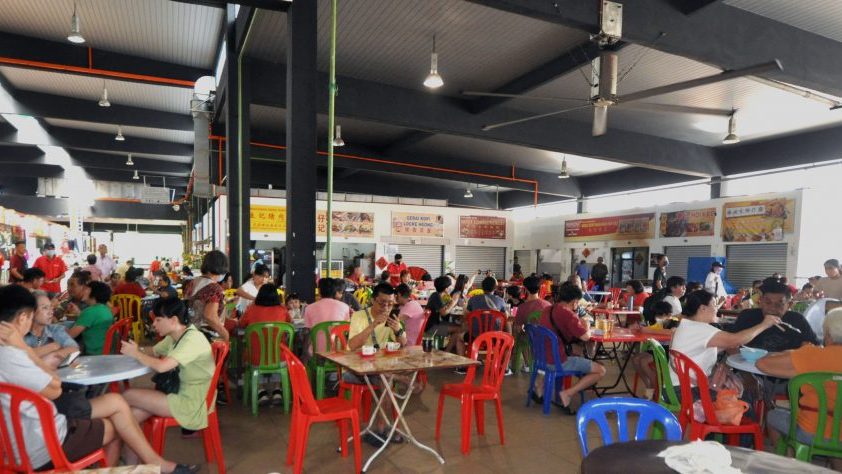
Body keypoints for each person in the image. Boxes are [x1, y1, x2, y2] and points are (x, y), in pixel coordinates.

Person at [0, 285, 198, 473]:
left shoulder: (18, 348)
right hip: (42, 447)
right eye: (36, 312)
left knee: (118, 402)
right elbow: (56, 389)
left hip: (13, 445)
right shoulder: (13, 355)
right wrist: (27, 350)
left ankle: (152, 464)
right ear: (23, 317)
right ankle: (153, 465)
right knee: (119, 425)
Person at [121, 298, 214, 458]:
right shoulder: (176, 336)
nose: (154, 324)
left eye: (158, 320)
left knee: (127, 396)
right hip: (180, 393)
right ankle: (132, 466)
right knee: (130, 418)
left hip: (193, 402)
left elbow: (162, 366)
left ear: (173, 320)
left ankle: (145, 460)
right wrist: (138, 349)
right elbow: (153, 351)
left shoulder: (192, 339)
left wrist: (136, 354)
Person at [757, 308, 842, 471]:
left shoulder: (813, 355)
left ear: (828, 335)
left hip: (811, 430)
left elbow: (762, 364)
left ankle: (789, 465)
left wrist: (795, 353)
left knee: (773, 415)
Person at [668, 289, 780, 389]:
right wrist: (764, 324)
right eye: (714, 305)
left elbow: (697, 350)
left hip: (675, 387)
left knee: (740, 385)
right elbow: (737, 340)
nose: (716, 309)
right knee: (745, 390)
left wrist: (728, 344)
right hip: (687, 391)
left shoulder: (687, 325)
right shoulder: (702, 330)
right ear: (703, 308)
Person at [346, 283, 408, 445]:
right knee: (386, 377)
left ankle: (381, 428)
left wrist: (398, 330)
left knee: (385, 378)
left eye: (390, 303)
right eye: (382, 303)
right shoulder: (359, 316)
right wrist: (373, 325)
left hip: (378, 368)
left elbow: (404, 344)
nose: (386, 307)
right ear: (373, 300)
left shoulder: (391, 317)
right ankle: (402, 379)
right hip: (355, 369)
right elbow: (352, 346)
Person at [538, 284, 606, 413]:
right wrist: (587, 326)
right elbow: (586, 337)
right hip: (557, 361)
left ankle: (569, 386)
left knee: (578, 353)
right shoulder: (568, 314)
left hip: (542, 357)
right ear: (575, 301)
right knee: (600, 370)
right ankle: (568, 393)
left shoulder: (548, 309)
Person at [727, 279, 818, 352]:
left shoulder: (797, 320)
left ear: (789, 305)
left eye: (779, 304)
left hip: (783, 367)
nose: (772, 308)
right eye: (768, 303)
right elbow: (730, 345)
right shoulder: (747, 316)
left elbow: (814, 347)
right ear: (760, 302)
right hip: (746, 366)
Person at [238, 283, 290, 406]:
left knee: (256, 353)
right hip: (280, 358)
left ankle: (261, 391)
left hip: (255, 358)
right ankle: (277, 390)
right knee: (277, 352)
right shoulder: (282, 310)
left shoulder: (251, 309)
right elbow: (290, 322)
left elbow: (241, 324)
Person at [631, 300, 676, 399]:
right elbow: (641, 327)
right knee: (635, 359)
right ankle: (649, 385)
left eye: (661, 316)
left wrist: (650, 330)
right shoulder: (654, 322)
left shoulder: (674, 322)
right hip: (656, 349)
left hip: (668, 351)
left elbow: (672, 332)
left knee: (644, 362)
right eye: (657, 315)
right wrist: (637, 327)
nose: (658, 318)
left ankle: (653, 388)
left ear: (669, 315)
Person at [24, 290, 79, 368]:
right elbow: (20, 358)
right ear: (31, 311)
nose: (51, 312)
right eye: (45, 308)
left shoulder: (54, 329)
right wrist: (53, 347)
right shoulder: (20, 333)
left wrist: (53, 355)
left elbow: (74, 348)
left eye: (51, 307)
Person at [184, 250, 229, 342]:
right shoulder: (214, 288)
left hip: (189, 331)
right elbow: (210, 316)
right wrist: (225, 334)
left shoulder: (192, 282)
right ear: (221, 267)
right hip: (206, 336)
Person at [513, 275, 551, 372]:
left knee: (520, 335)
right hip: (548, 338)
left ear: (525, 289)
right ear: (539, 289)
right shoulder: (548, 305)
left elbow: (518, 329)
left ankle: (527, 364)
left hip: (531, 339)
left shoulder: (522, 307)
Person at [303, 278, 350, 353]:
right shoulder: (345, 307)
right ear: (335, 291)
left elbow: (308, 332)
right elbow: (346, 329)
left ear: (319, 291)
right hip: (339, 351)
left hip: (317, 352)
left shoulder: (309, 308)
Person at [67, 281, 113, 355]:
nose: (82, 291)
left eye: (85, 289)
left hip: (93, 354)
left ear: (91, 292)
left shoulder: (90, 312)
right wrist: (78, 312)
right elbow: (93, 320)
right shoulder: (105, 309)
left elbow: (70, 335)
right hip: (106, 351)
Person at [424, 275, 463, 354]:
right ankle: (446, 352)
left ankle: (448, 350)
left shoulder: (442, 295)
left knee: (459, 327)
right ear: (446, 288)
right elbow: (444, 313)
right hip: (432, 327)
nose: (451, 288)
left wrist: (455, 301)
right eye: (450, 286)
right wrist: (453, 302)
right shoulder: (436, 296)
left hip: (437, 323)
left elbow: (452, 304)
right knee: (459, 329)